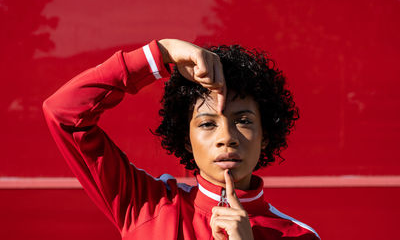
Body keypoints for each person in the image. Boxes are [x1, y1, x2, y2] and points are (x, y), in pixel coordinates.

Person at [43, 39, 320, 239]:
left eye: (243, 121)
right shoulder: (147, 205)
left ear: (265, 136)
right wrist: (161, 53)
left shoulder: (298, 236)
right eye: (208, 123)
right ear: (186, 139)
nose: (226, 138)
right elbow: (64, 113)